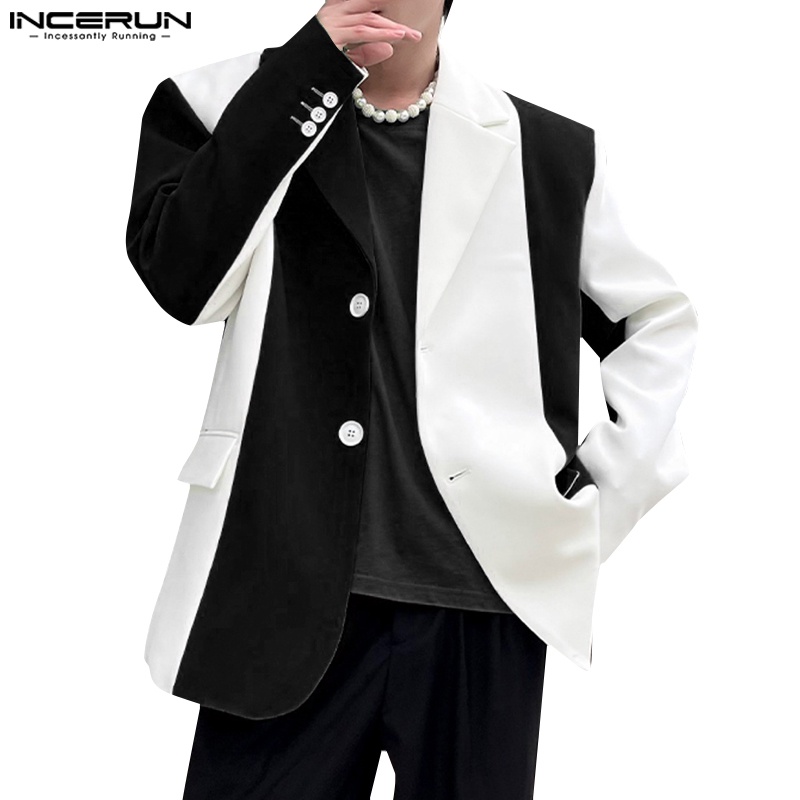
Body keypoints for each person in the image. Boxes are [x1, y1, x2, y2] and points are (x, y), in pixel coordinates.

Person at [124, 1, 698, 797]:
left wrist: (593, 499)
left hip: (481, 599)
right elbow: (185, 282)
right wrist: (305, 73)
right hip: (279, 587)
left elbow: (656, 322)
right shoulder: (222, 104)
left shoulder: (547, 153)